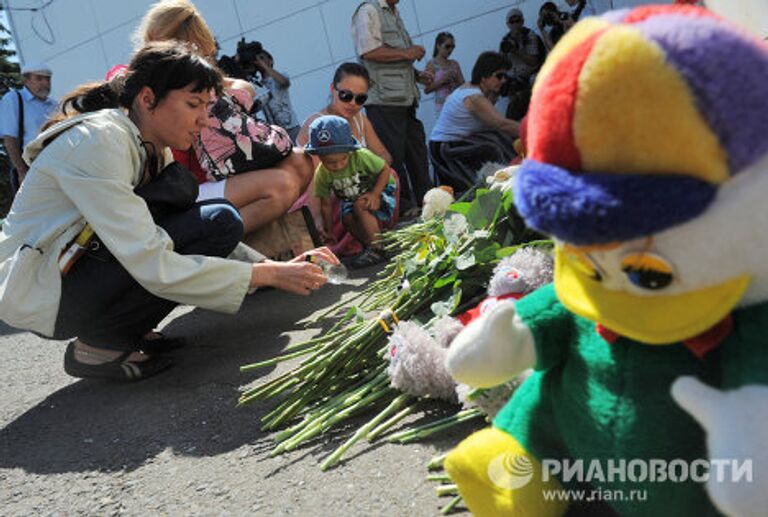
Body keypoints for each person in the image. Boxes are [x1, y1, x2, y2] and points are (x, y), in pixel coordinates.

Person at [0, 42, 337, 382]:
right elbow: (148, 258)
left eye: (207, 107)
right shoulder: (100, 141)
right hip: (42, 291)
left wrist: (272, 266)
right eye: (194, 105)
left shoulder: (151, 146)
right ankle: (98, 345)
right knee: (210, 224)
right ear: (148, 99)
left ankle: (123, 329)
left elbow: (187, 228)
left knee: (216, 221)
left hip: (77, 267)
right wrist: (268, 277)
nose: (204, 120)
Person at [134, 0, 313, 234]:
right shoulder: (140, 82)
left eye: (205, 57)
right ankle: (201, 246)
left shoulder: (202, 81)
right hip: (178, 189)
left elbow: (241, 87)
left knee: (301, 160)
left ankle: (233, 239)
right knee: (281, 186)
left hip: (214, 176)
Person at [296, 62, 394, 258]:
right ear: (333, 89)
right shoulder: (317, 127)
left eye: (360, 99)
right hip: (325, 198)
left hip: (354, 192)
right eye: (346, 96)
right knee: (347, 195)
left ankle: (374, 243)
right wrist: (316, 220)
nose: (352, 103)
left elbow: (385, 157)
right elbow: (315, 184)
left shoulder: (360, 119)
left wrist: (364, 171)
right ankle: (365, 243)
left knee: (390, 176)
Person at [352, 0, 433, 218]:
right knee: (392, 156)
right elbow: (368, 51)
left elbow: (392, 56)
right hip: (384, 99)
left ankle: (430, 200)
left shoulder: (393, 12)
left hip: (403, 97)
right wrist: (408, 53)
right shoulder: (369, 10)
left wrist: (416, 75)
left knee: (416, 151)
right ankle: (404, 207)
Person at [306, 116, 395, 268]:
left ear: (349, 151)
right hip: (352, 198)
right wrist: (329, 230)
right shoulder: (322, 174)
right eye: (330, 163)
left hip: (380, 188)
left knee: (361, 205)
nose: (338, 166)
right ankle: (370, 246)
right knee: (346, 217)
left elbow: (385, 169)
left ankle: (378, 247)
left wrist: (375, 194)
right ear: (319, 157)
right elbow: (325, 204)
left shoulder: (362, 156)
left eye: (343, 159)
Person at [429, 52, 520, 194]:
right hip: (446, 149)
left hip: (455, 142)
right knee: (493, 146)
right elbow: (502, 124)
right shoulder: (474, 98)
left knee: (498, 138)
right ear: (484, 76)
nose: (503, 81)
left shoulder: (474, 89)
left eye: (505, 77)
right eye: (499, 76)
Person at [0, 62, 57, 191]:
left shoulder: (54, 105)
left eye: (47, 79)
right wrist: (21, 171)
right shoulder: (14, 99)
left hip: (57, 165)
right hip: (31, 167)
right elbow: (9, 138)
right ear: (26, 81)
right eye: (39, 78)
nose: (45, 83)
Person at [498, 8, 545, 120]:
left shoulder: (530, 36)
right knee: (506, 87)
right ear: (508, 24)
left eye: (517, 20)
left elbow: (534, 61)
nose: (515, 24)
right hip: (514, 77)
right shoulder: (506, 39)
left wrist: (516, 51)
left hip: (531, 74)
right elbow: (502, 65)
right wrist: (504, 53)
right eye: (512, 21)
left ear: (522, 21)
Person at [254, 49, 301, 143]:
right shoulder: (257, 84)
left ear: (271, 60)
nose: (259, 61)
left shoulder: (280, 76)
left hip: (292, 127)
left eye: (262, 58)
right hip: (275, 133)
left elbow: (285, 82)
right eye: (257, 59)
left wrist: (264, 65)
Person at [424, 32, 465, 115]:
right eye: (447, 46)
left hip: (457, 105)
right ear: (438, 46)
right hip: (443, 108)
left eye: (452, 47)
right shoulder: (432, 64)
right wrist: (442, 81)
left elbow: (463, 86)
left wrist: (455, 80)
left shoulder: (454, 64)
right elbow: (427, 89)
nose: (450, 50)